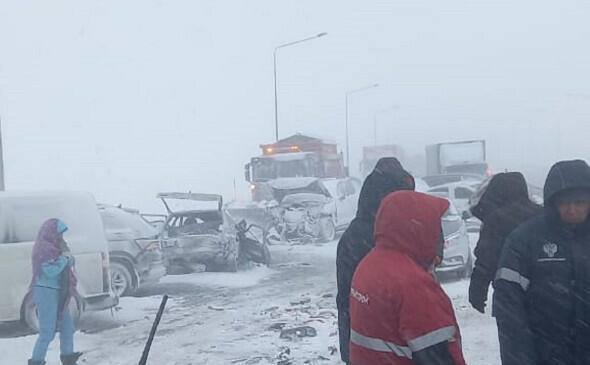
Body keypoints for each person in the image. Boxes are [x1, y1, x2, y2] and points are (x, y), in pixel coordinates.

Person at [349, 191, 467, 365]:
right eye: (435, 227)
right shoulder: (411, 283)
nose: (439, 237)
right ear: (418, 228)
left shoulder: (369, 264)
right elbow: (438, 355)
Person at [493, 160, 590, 365]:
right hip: (545, 356)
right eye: (564, 202)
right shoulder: (525, 239)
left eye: (579, 201)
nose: (572, 209)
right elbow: (509, 307)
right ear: (553, 202)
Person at [336, 157, 415, 363]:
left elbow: (346, 297)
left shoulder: (353, 236)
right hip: (396, 343)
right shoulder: (401, 233)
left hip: (360, 339)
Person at [468, 172, 542, 313]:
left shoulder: (495, 220)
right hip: (544, 295)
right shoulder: (541, 216)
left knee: (512, 332)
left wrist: (477, 292)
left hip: (508, 297)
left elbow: (485, 260)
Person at [29, 219, 82, 365]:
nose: (61, 236)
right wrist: (65, 259)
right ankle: (36, 361)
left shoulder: (58, 247)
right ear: (51, 232)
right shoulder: (43, 249)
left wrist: (68, 258)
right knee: (47, 332)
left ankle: (68, 358)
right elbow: (49, 271)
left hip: (60, 292)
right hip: (46, 291)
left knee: (68, 328)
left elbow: (67, 261)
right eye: (59, 233)